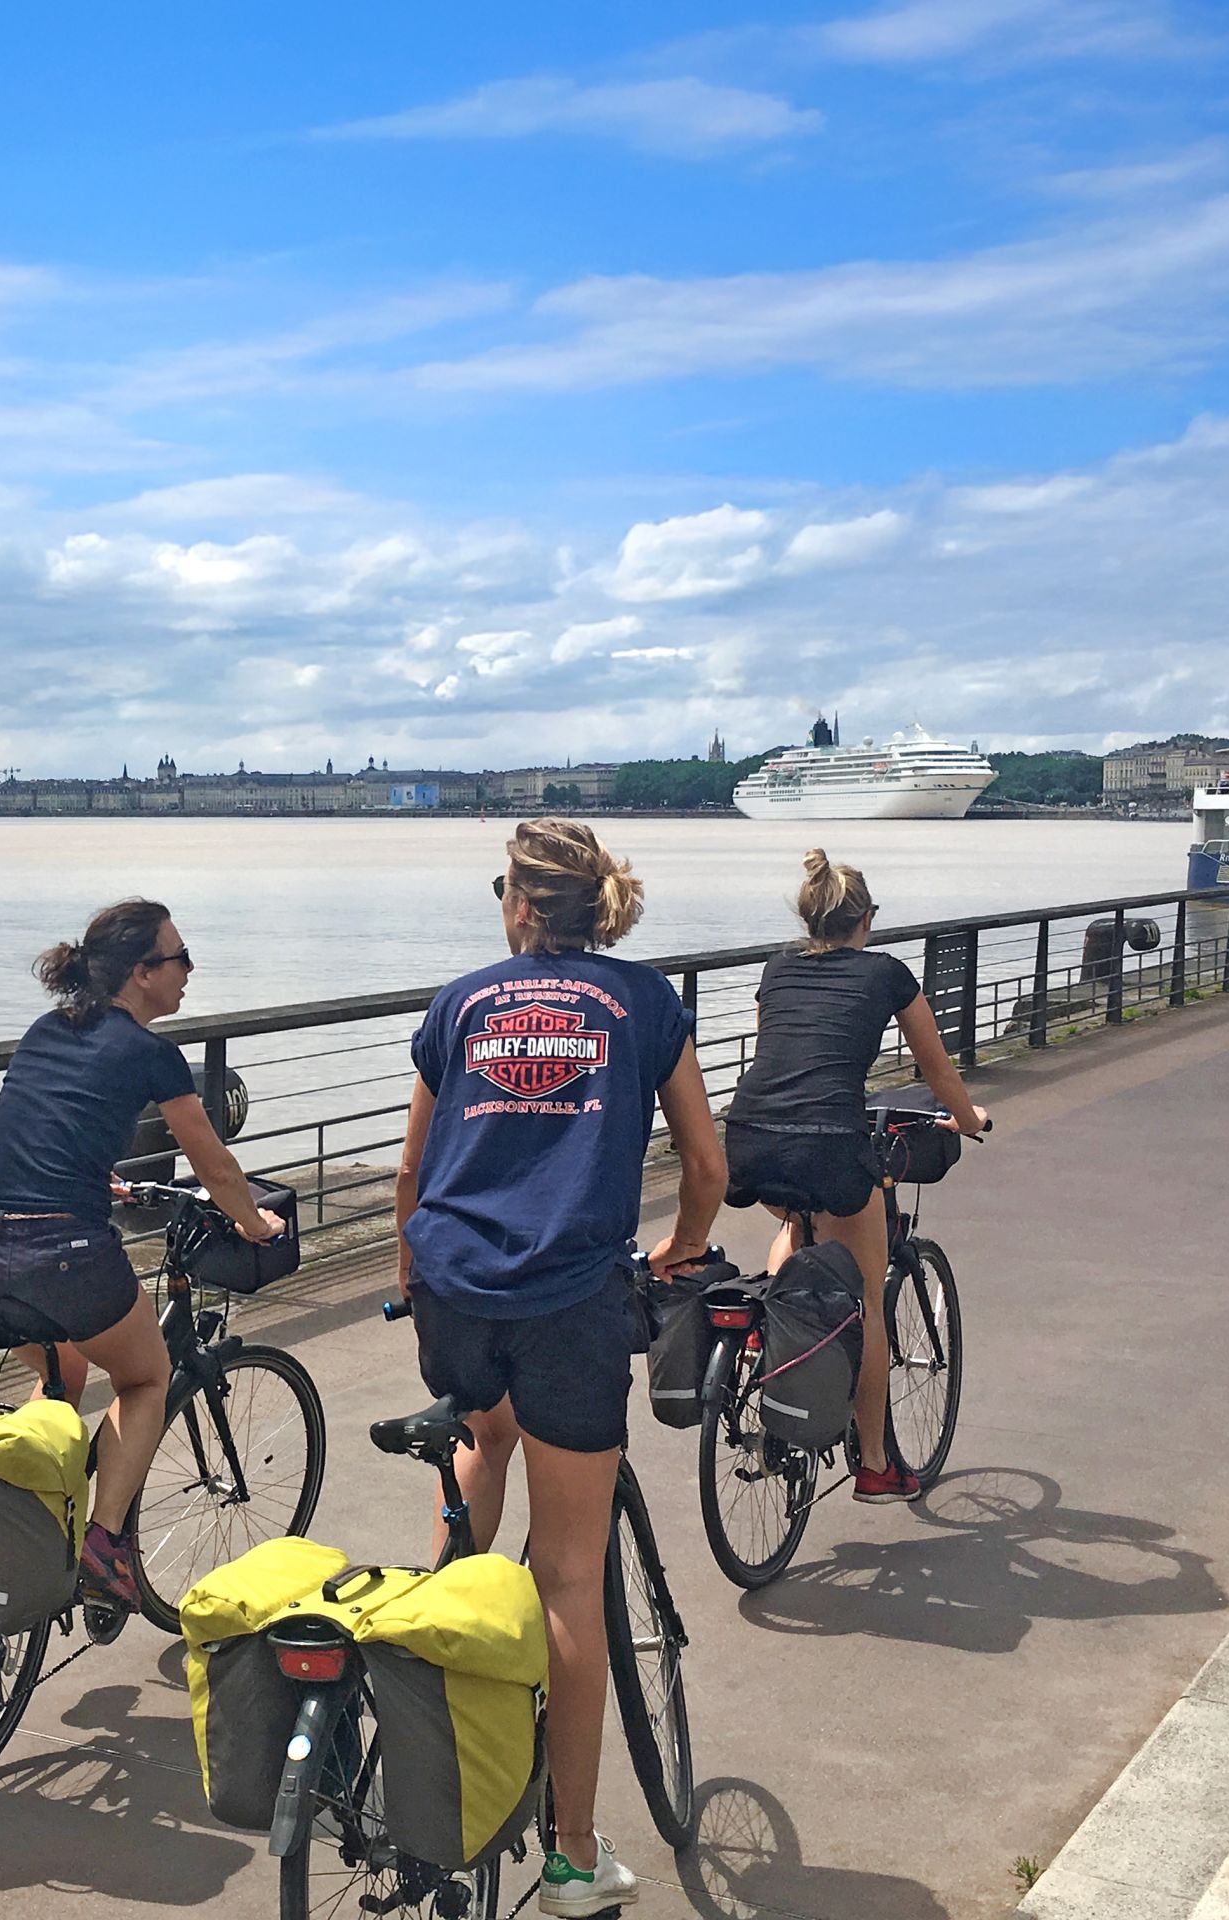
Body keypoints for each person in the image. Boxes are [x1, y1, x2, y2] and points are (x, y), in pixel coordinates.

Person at [391, 818, 725, 1919]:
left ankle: (425, 1690)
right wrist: (679, 1246)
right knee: (573, 1580)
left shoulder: (460, 1003)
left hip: (452, 1288)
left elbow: (411, 1176)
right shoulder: (644, 1002)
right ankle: (572, 1860)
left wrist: (418, 1285)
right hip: (568, 1299)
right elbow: (704, 1164)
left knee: (486, 1439)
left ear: (519, 906)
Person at [0, 898, 283, 1605]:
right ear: (141, 973)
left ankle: (34, 1518)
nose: (189, 971)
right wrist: (254, 1224)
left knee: (63, 1372)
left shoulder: (46, 1031)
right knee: (144, 1377)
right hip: (62, 1254)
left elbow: (42, 1130)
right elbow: (216, 1166)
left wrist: (101, 1178)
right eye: (179, 957)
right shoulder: (151, 1054)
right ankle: (103, 1546)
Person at [721, 851, 989, 1502]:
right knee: (868, 1301)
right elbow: (937, 1070)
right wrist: (968, 1119)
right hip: (828, 1145)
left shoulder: (777, 969)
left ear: (809, 918)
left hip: (751, 1134)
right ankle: (873, 1463)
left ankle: (775, 1335)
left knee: (798, 1224)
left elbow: (780, 1059)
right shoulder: (887, 974)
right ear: (867, 919)